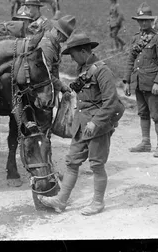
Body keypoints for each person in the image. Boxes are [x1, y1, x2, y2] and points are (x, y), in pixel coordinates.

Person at [38, 32, 125, 215]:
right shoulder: (83, 69)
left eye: (73, 54)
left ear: (84, 51)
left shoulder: (102, 71)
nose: (71, 58)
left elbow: (111, 102)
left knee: (96, 165)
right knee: (72, 162)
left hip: (97, 127)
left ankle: (98, 203)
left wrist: (96, 122)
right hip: (80, 126)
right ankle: (61, 200)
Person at [123, 2, 158, 158]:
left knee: (156, 115)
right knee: (143, 113)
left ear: (152, 21)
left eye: (146, 20)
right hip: (138, 82)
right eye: (140, 20)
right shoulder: (136, 38)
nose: (143, 23)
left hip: (153, 84)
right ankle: (145, 143)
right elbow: (130, 60)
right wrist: (127, 81)